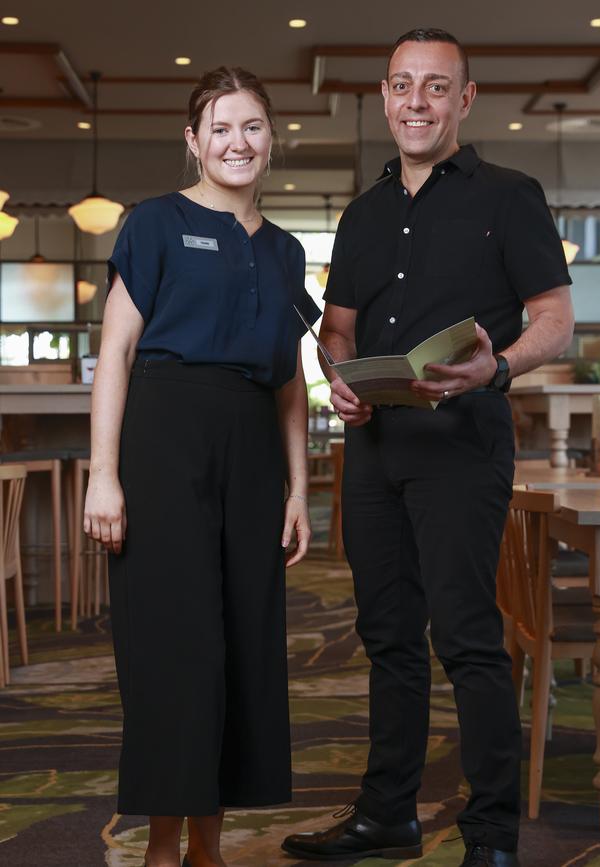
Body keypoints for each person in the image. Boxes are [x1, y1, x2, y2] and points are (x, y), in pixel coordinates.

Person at [282, 27, 574, 867]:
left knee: (468, 637)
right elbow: (336, 330)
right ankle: (388, 813)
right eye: (403, 85)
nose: (417, 102)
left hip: (463, 443)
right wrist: (334, 377)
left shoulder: (509, 196)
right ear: (384, 96)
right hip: (372, 450)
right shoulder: (362, 213)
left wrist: (498, 367)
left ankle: (490, 835)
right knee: (387, 637)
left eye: (436, 87)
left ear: (465, 99)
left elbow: (554, 317)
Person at [84, 66, 320, 867]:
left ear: (271, 139)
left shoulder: (286, 251)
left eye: (252, 126)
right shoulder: (152, 224)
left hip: (252, 445)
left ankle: (208, 847)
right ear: (193, 141)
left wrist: (300, 487)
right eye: (220, 127)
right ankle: (159, 844)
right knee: (172, 646)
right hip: (163, 439)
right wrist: (102, 472)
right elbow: (113, 353)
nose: (237, 142)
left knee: (243, 645)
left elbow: (291, 381)